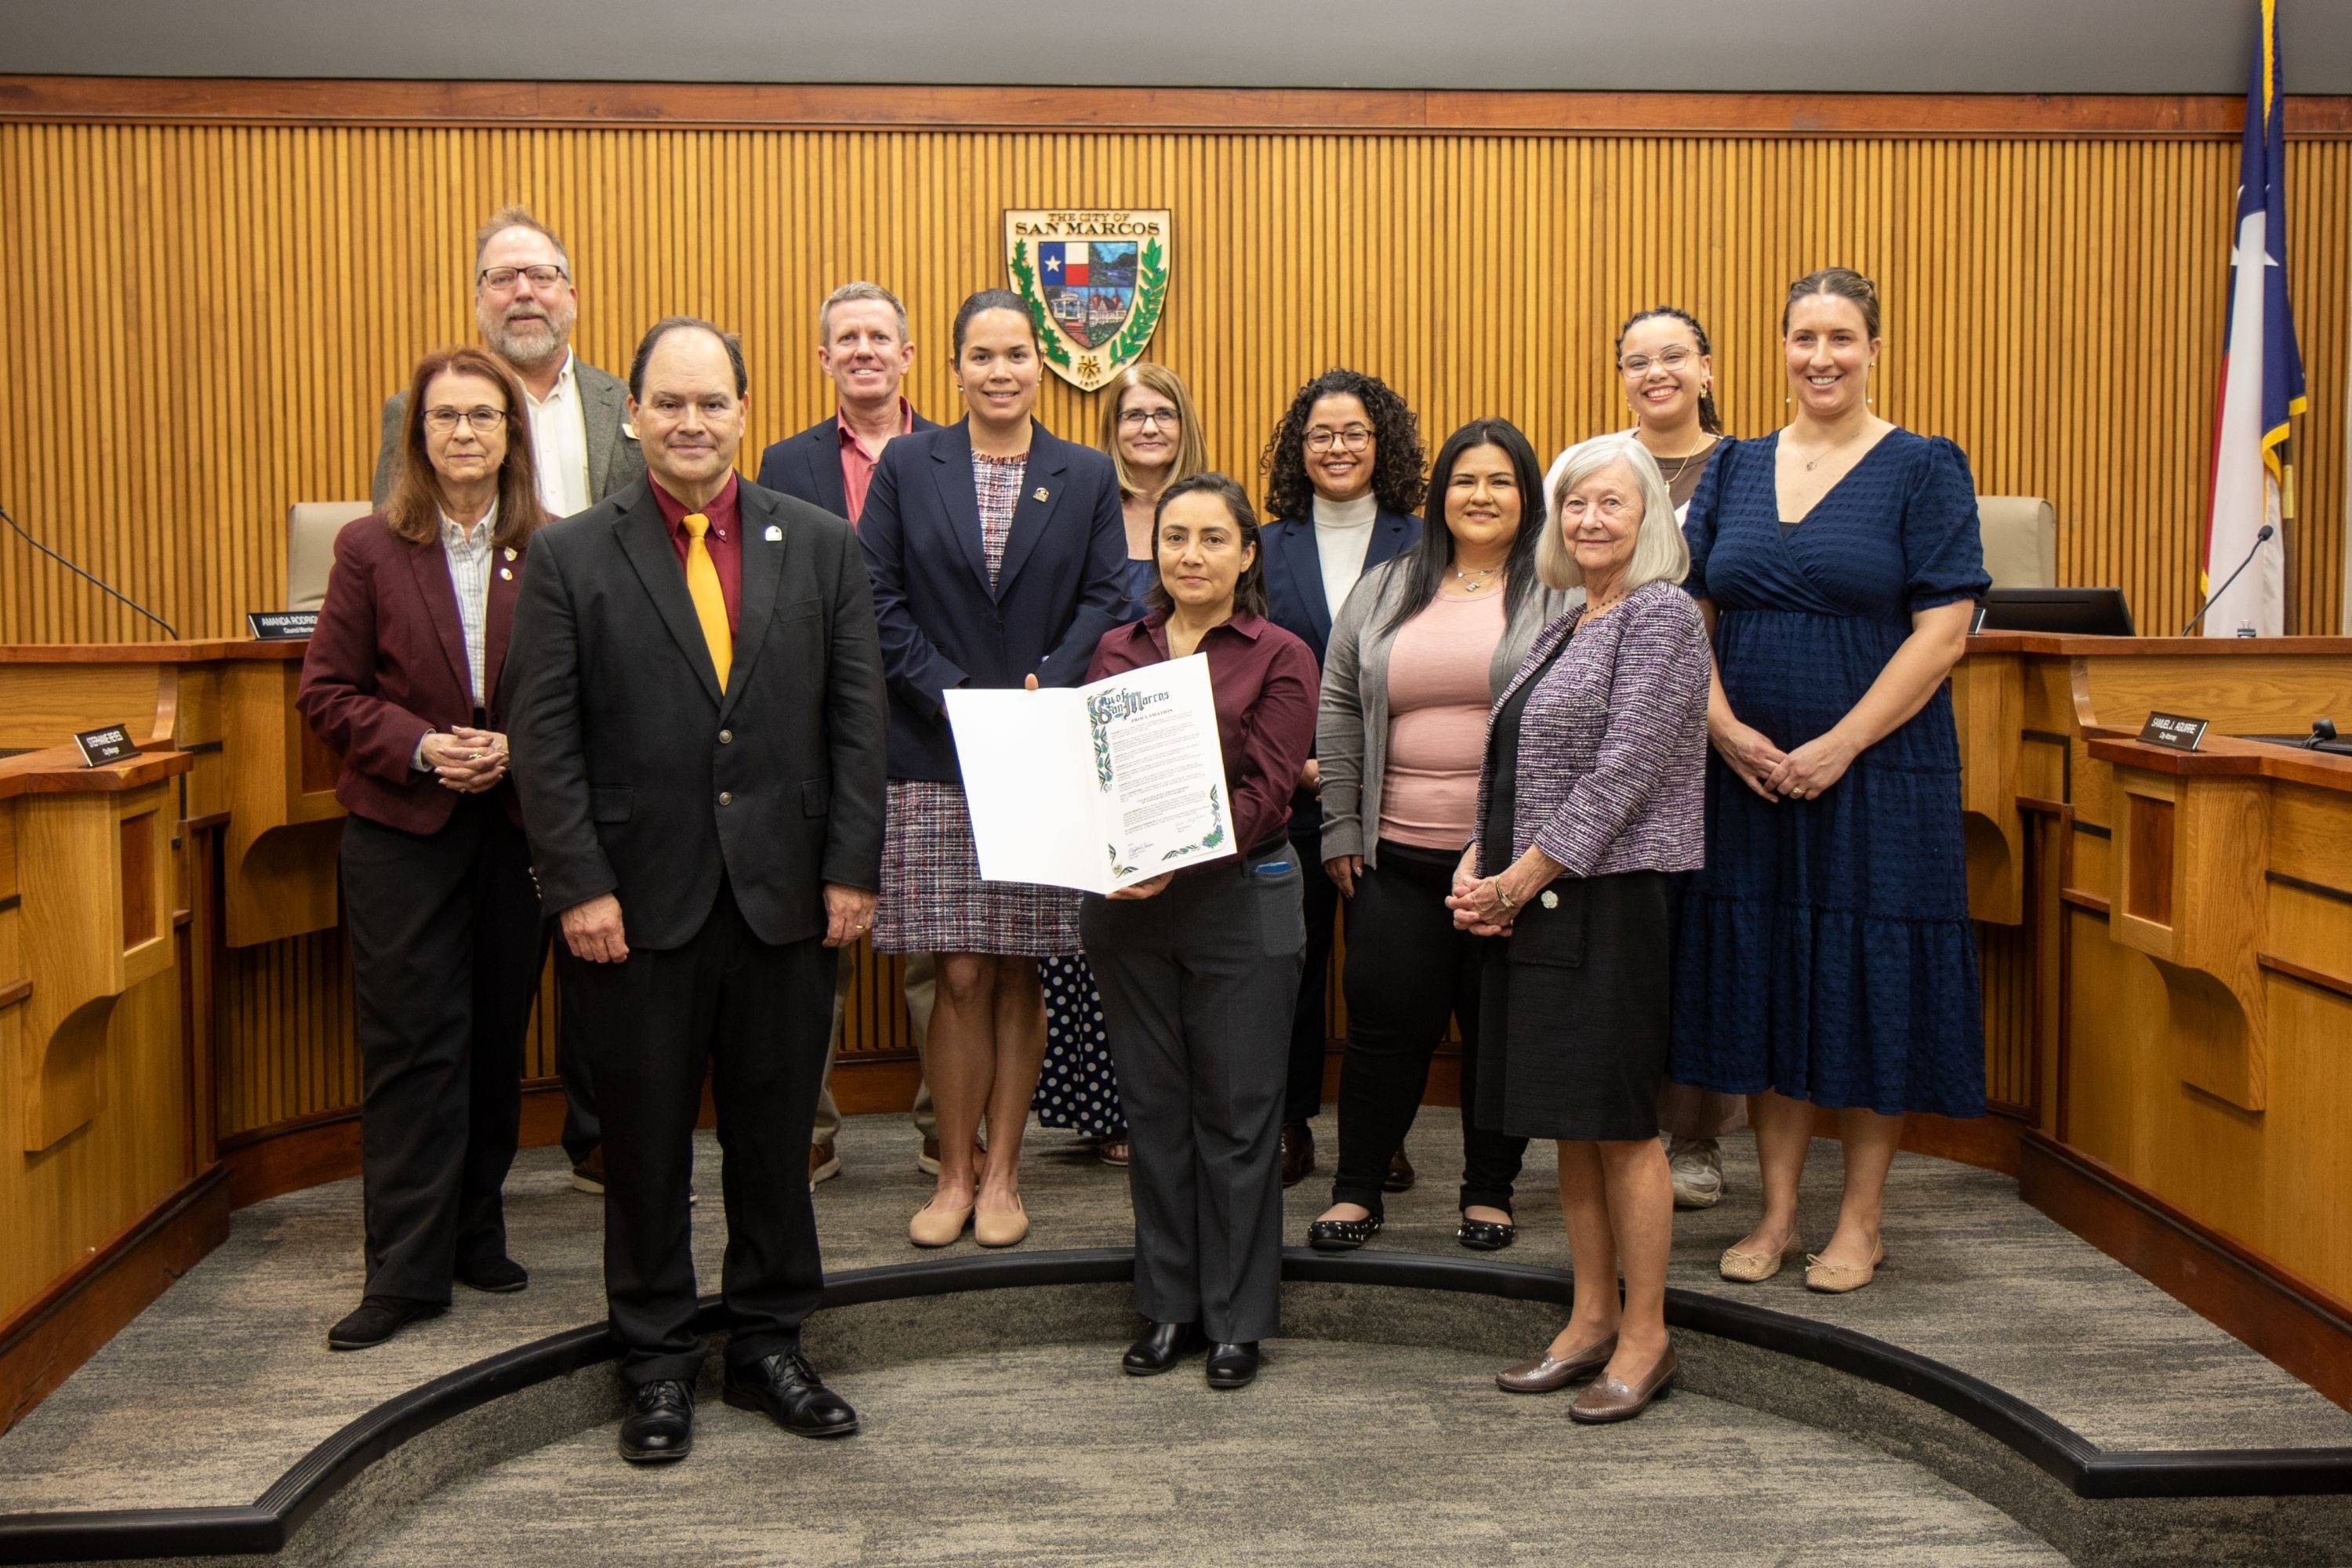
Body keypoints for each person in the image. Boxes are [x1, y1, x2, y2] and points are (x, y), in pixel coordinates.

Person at [503, 316, 887, 1465]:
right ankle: (658, 1361)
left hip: (784, 901)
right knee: (646, 1145)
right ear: (635, 413)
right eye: (668, 403)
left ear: (743, 412)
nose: (689, 423)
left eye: (711, 403)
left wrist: (850, 870)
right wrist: (577, 884)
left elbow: (856, 724)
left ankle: (771, 1343)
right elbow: (546, 737)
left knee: (776, 1145)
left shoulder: (819, 544)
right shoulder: (574, 553)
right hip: (632, 905)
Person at [1671, 267, 1990, 1295]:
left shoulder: (1924, 467)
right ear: (1781, 347)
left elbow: (1946, 630)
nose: (1822, 357)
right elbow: (1691, 617)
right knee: (1772, 981)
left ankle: (1860, 1221)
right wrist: (1723, 730)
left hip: (1880, 774)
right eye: (1804, 337)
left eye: (1842, 338)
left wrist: (1842, 743)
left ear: (1874, 348)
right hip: (1750, 775)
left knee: (1866, 986)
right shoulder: (1732, 468)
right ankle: (1774, 1214)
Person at [371, 205, 644, 1201]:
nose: (524, 293)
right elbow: (400, 557)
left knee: (606, 935)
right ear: (480, 298)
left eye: (541, 276)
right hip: (478, 723)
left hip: (608, 706)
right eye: (502, 277)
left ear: (571, 294)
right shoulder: (430, 407)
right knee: (488, 971)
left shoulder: (625, 400)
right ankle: (467, 1188)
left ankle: (602, 1133)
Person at [858, 288, 1125, 1249]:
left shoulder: (1085, 472)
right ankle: (955, 1169)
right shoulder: (905, 464)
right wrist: (959, 694)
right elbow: (876, 596)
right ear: (955, 367)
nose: (1002, 370)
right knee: (960, 969)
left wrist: (1045, 688)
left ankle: (1006, 1172)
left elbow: (1106, 598)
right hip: (934, 750)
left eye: (1017, 353)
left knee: (1020, 970)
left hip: (1047, 746)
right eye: (982, 354)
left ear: (1039, 364)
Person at [1456, 434, 1710, 1425]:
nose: (1590, 520)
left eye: (1612, 503)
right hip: (1543, 890)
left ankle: (1647, 1336)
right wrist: (1478, 863)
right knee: (1570, 1115)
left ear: (1648, 517)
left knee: (1619, 1122)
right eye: (1575, 505)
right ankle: (1588, 1315)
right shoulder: (1570, 619)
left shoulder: (1661, 616)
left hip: (1612, 896)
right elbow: (1515, 760)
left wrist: (1517, 877)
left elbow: (1622, 774)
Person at [300, 347, 549, 1352]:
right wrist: (420, 744)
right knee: (414, 1044)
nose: (463, 435)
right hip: (402, 833)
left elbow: (578, 693)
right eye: (445, 418)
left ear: (510, 435)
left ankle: (473, 1232)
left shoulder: (556, 548)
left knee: (496, 1038)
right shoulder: (369, 547)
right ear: (417, 436)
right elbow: (326, 691)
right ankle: (403, 1269)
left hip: (513, 828)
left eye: (483, 418)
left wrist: (512, 748)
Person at [1308, 419, 1570, 1256]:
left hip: (1511, 867)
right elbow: (1340, 706)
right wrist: (1342, 822)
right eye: (1465, 480)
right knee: (1383, 1024)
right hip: (1393, 856)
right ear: (1439, 494)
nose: (1481, 496)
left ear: (1528, 496)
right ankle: (1356, 1188)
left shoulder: (1559, 593)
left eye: (1500, 481)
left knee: (1498, 1028)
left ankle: (1489, 1189)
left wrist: (1524, 861)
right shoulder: (1387, 587)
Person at [1083, 473, 1319, 1391]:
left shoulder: (1282, 653)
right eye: (1175, 537)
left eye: (1213, 538)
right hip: (1128, 907)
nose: (1190, 554)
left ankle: (1237, 1317)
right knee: (1154, 1111)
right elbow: (1099, 768)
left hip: (1236, 899)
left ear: (1247, 553)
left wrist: (1176, 852)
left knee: (1240, 1113)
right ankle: (1169, 1306)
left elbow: (1267, 792)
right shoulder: (1115, 649)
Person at [753, 281, 946, 1189]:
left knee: (931, 944)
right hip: (811, 723)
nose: (864, 350)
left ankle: (948, 1124)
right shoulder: (782, 462)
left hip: (926, 723)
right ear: (823, 358)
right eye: (846, 338)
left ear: (908, 356)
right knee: (810, 940)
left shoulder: (952, 454)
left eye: (881, 337)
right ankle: (808, 1126)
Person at [1035, 362, 1212, 1171]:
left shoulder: (1210, 507)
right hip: (1094, 743)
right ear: (1113, 426)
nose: (1147, 428)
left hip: (1185, 750)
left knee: (1183, 932)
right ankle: (1106, 1109)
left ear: (1183, 425)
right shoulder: (1086, 510)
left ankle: (1182, 1104)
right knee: (1099, 930)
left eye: (1162, 414)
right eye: (1133, 414)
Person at [1256, 368, 1425, 1189]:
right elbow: (1247, 668)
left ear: (1380, 441)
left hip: (1394, 794)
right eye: (1321, 434)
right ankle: (1290, 1123)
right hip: (1289, 795)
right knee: (1289, 967)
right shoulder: (1263, 541)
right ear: (1301, 447)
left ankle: (1381, 1131)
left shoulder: (1426, 542)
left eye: (1355, 432)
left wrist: (1357, 765)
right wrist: (1302, 762)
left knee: (1385, 977)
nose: (1338, 447)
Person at [1604, 304, 1748, 1211]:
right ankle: (1632, 1124)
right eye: (1635, 360)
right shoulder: (1597, 462)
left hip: (1723, 725)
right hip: (1620, 727)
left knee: (1707, 938)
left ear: (1705, 365)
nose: (1654, 372)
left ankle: (1698, 1137)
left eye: (1672, 356)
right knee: (1634, 939)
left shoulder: (1751, 464)